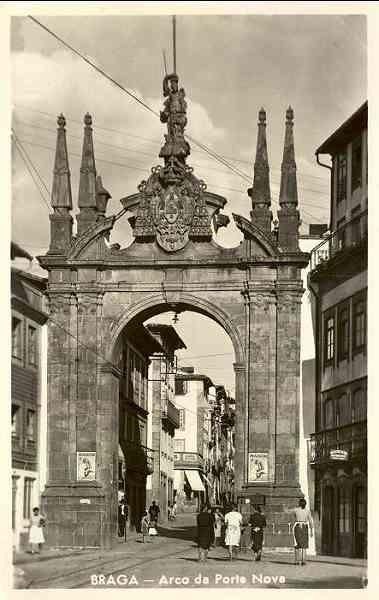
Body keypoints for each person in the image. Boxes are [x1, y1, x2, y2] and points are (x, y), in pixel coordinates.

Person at [290, 498, 314, 565]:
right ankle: (303, 560)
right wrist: (312, 530)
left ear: (299, 504)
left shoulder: (296, 510)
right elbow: (311, 521)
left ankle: (296, 560)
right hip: (305, 527)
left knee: (297, 544)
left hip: (297, 526)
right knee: (304, 544)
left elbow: (289, 512)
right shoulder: (307, 511)